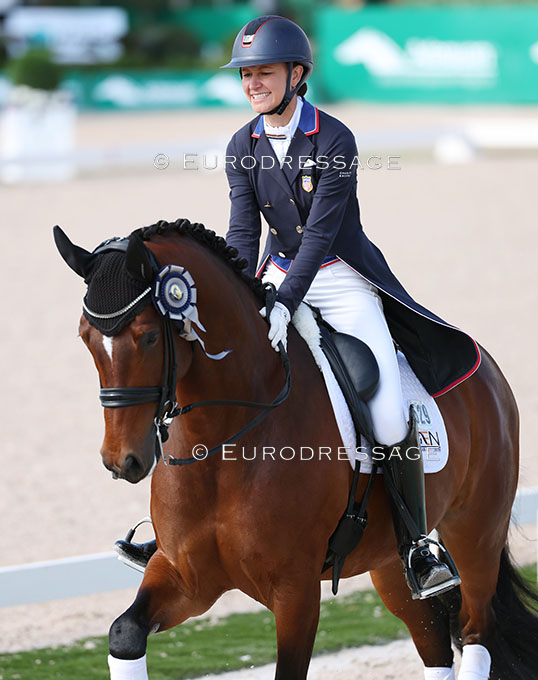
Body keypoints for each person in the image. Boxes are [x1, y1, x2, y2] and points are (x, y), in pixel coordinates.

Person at [117, 15, 480, 600]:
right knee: (206, 373)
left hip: (342, 278)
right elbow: (242, 231)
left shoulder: (334, 139)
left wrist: (286, 301)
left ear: (297, 74)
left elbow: (321, 234)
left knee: (388, 414)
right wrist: (241, 292)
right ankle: (172, 533)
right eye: (246, 75)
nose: (253, 84)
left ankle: (417, 545)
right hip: (275, 275)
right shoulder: (242, 146)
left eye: (264, 72)